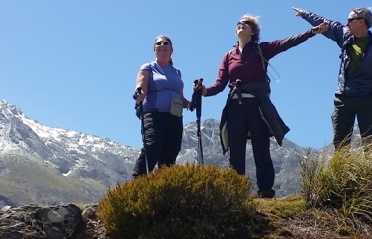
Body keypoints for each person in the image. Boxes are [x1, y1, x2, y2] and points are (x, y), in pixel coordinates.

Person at [193, 14, 327, 198]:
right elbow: (220, 84)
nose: (242, 25)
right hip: (235, 106)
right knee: (236, 148)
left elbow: (286, 43)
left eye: (247, 23)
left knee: (261, 146)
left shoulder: (261, 49)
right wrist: (204, 91)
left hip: (257, 104)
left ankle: (265, 190)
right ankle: (236, 190)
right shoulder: (228, 56)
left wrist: (311, 32)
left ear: (254, 31)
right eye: (239, 23)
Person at [293, 7, 372, 150]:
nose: (346, 23)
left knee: (370, 144)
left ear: (361, 22)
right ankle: (341, 172)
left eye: (350, 20)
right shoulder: (345, 36)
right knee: (340, 143)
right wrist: (304, 14)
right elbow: (325, 23)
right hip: (343, 98)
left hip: (367, 98)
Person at [131, 35, 189, 179]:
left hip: (174, 117)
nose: (162, 45)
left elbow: (180, 97)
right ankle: (138, 181)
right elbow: (141, 86)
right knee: (152, 147)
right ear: (154, 50)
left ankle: (164, 187)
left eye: (165, 43)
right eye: (158, 43)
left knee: (171, 152)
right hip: (153, 114)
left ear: (171, 49)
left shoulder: (177, 72)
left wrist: (192, 102)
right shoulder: (148, 68)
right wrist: (139, 93)